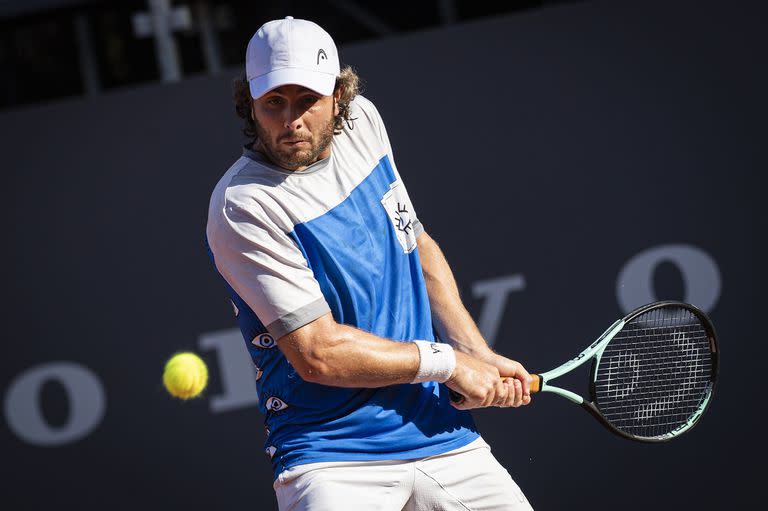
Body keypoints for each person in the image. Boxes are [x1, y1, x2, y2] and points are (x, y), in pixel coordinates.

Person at [206, 16, 534, 511]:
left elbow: (414, 244)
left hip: (442, 435)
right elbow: (317, 353)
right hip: (331, 459)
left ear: (338, 96)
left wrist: (476, 351)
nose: (291, 120)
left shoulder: (364, 123)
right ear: (250, 104)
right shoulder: (243, 205)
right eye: (274, 102)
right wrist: (449, 364)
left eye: (307, 100)